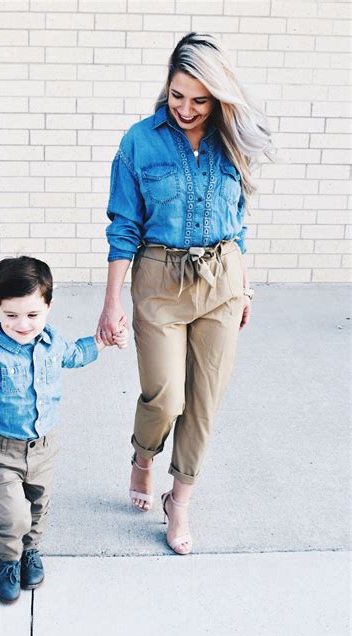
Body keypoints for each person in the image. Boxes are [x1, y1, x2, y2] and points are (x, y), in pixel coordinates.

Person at [97, 32, 271, 555]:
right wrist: (110, 303)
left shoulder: (232, 140)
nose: (186, 109)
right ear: (166, 87)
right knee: (165, 396)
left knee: (203, 403)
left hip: (222, 280)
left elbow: (237, 222)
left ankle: (182, 499)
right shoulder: (139, 141)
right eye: (178, 96)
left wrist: (243, 285)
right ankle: (144, 456)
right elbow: (124, 225)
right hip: (159, 282)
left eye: (199, 99)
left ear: (218, 97)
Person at [0, 256, 127, 604]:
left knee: (37, 506)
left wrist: (104, 342)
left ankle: (30, 552)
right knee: (13, 513)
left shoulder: (51, 343)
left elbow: (76, 354)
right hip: (1, 451)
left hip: (44, 448)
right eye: (11, 315)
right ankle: (7, 560)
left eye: (32, 314)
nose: (22, 324)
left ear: (48, 306)